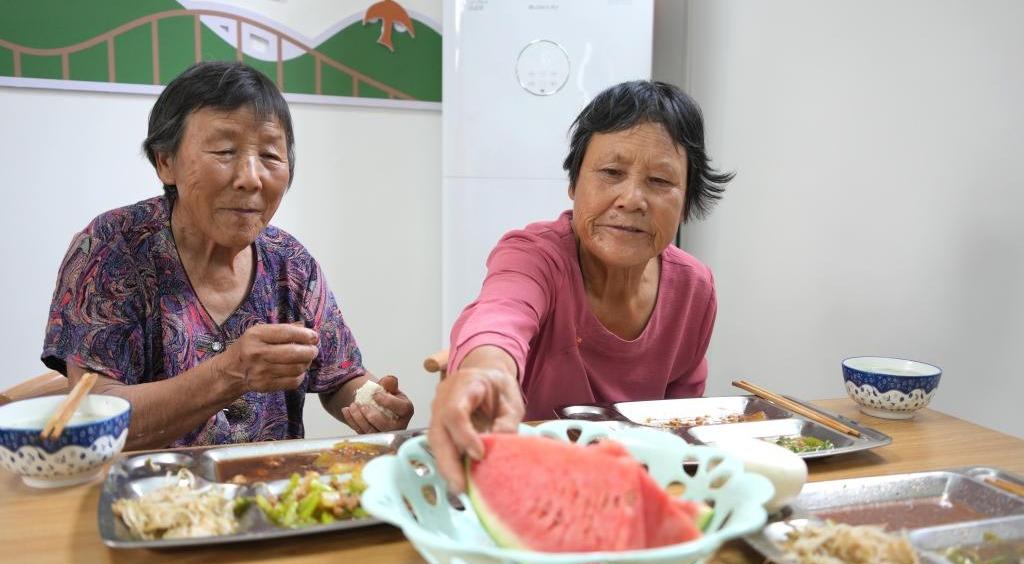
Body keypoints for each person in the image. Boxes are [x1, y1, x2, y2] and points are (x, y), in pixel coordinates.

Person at [41, 61, 413, 450]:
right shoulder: (112, 248)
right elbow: (94, 413)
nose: (251, 177)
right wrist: (231, 372)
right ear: (166, 162)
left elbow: (341, 378)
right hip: (145, 499)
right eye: (224, 150)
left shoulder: (290, 263)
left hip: (266, 496)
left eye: (270, 156)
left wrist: (374, 403)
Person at [429, 80, 733, 491]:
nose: (632, 199)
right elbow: (500, 315)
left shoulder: (695, 289)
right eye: (611, 173)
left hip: (629, 490)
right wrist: (486, 372)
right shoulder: (535, 256)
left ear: (687, 200)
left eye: (660, 181)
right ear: (574, 185)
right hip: (520, 482)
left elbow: (678, 422)